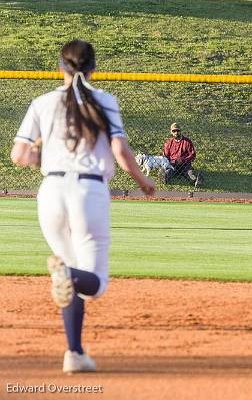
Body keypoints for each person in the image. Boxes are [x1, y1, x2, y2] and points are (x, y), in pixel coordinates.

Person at [10, 40, 156, 373]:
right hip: (89, 192)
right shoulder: (104, 100)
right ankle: (65, 280)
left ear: (61, 67)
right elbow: (119, 151)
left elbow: (19, 155)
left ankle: (74, 353)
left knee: (72, 277)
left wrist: (44, 155)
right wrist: (143, 182)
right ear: (93, 69)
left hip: (50, 193)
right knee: (95, 283)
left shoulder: (42, 102)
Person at [162, 122, 201, 187]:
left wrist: (183, 159)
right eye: (174, 131)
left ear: (180, 131)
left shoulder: (187, 141)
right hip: (173, 164)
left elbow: (193, 154)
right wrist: (171, 162)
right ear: (171, 132)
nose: (176, 132)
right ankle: (164, 177)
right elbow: (165, 156)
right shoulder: (169, 143)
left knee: (189, 172)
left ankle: (196, 181)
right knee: (169, 171)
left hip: (185, 164)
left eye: (178, 130)